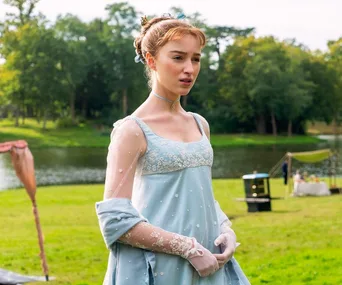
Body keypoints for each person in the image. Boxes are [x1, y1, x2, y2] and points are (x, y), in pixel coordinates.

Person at [95, 14, 250, 285]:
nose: (189, 68)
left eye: (196, 58)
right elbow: (115, 219)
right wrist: (187, 248)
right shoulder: (132, 130)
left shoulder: (200, 124)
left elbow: (201, 194)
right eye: (178, 58)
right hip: (160, 268)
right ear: (151, 60)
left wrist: (225, 229)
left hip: (210, 264)